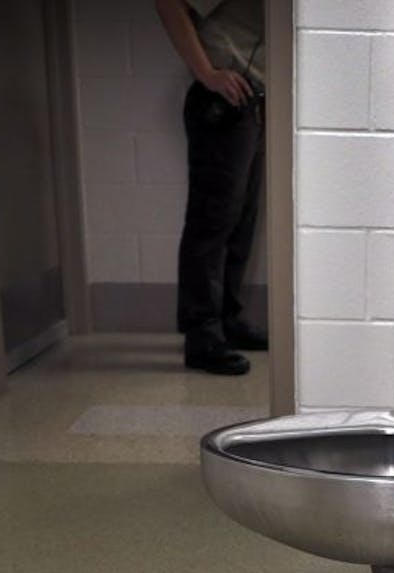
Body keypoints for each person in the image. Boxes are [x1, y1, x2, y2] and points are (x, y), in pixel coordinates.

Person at [155, 0, 267, 375]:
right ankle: (202, 336)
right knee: (212, 221)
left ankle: (226, 322)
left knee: (240, 222)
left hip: (254, 101)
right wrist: (205, 71)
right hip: (224, 100)